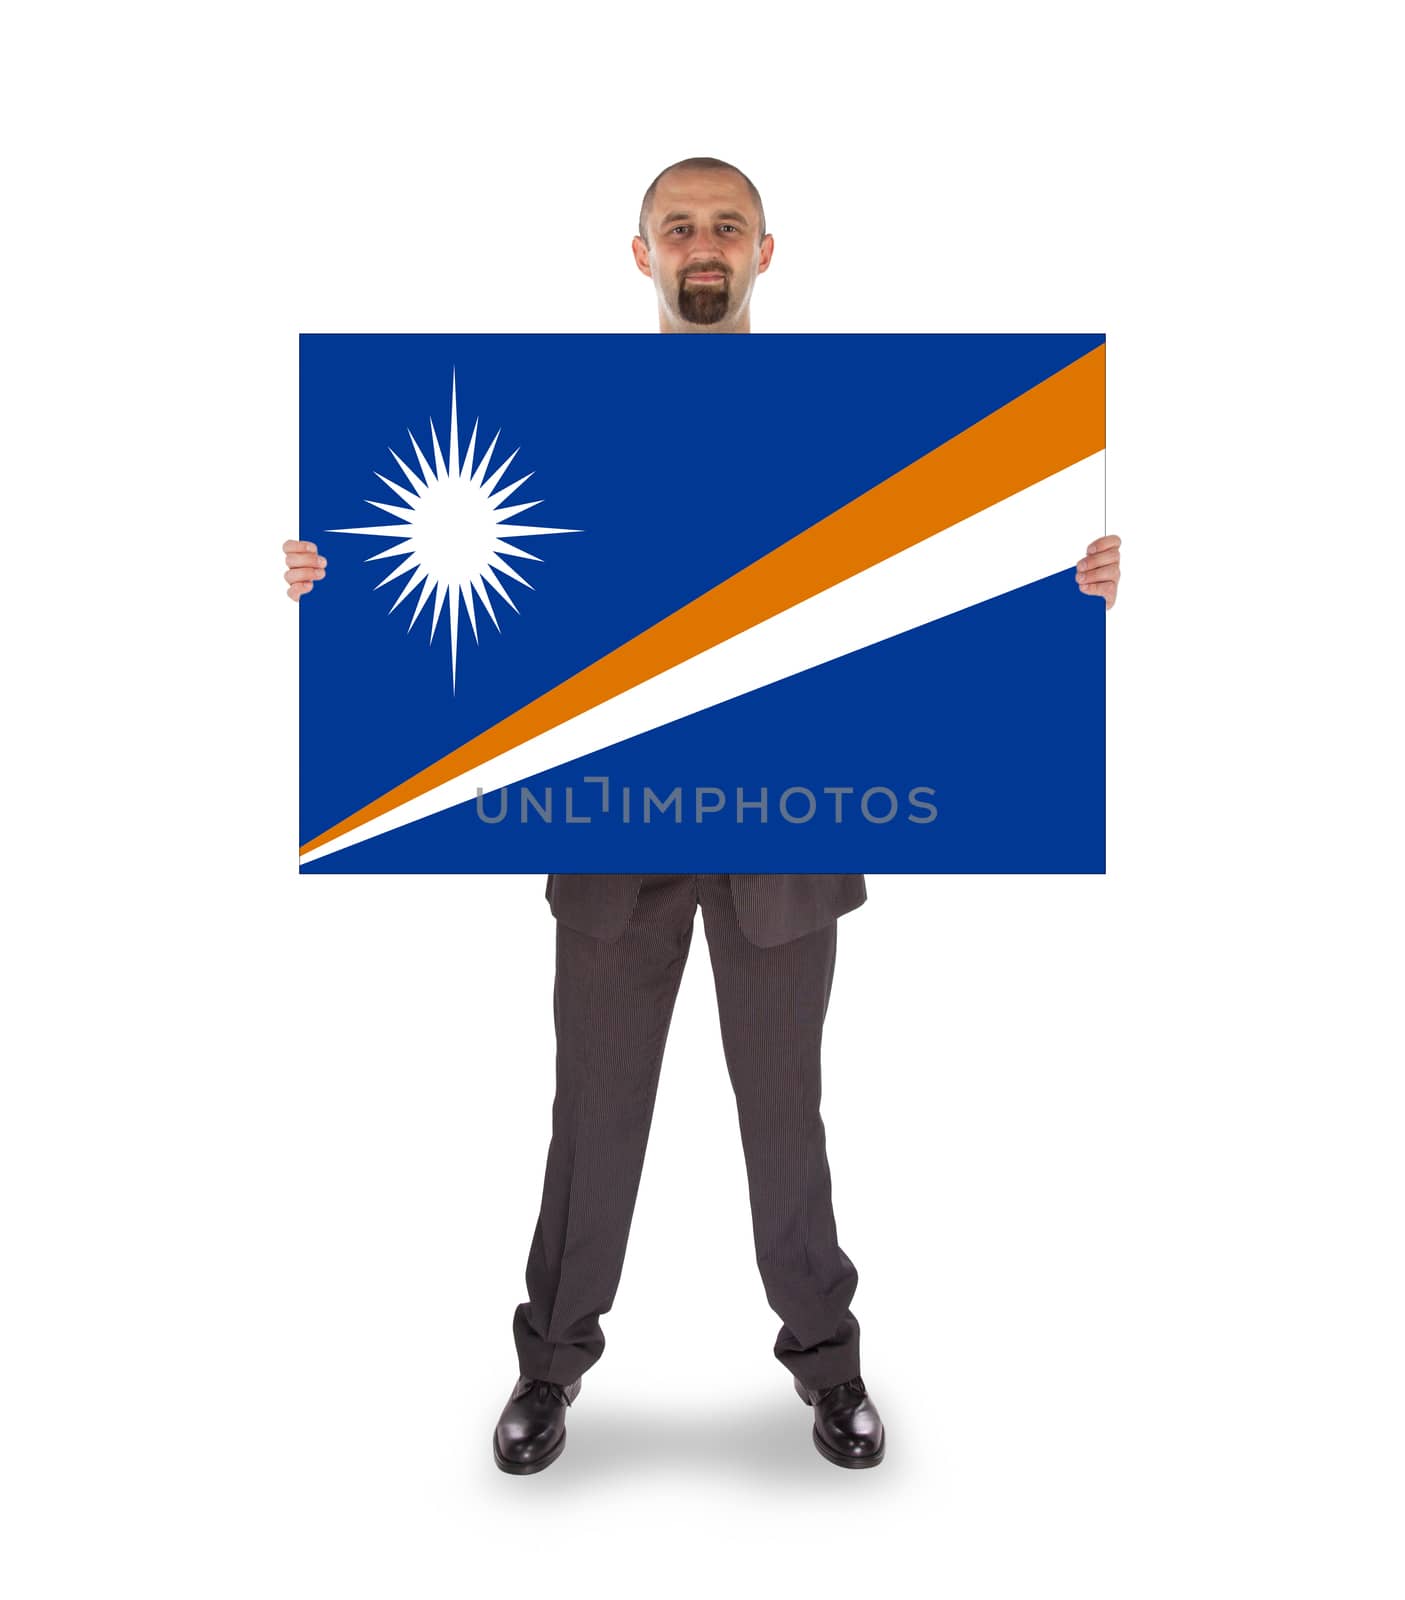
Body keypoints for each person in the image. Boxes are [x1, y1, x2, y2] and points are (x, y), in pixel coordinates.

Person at [283, 156, 1123, 1476]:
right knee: (593, 1115)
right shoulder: (558, 424)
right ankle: (548, 1368)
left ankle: (826, 1365)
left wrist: (1055, 588)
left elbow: (917, 588)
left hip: (782, 831)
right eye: (679, 227)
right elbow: (475, 579)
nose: (702, 243)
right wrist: (337, 583)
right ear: (642, 257)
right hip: (614, 828)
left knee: (784, 1116)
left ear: (764, 252)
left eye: (724, 224)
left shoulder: (842, 419)